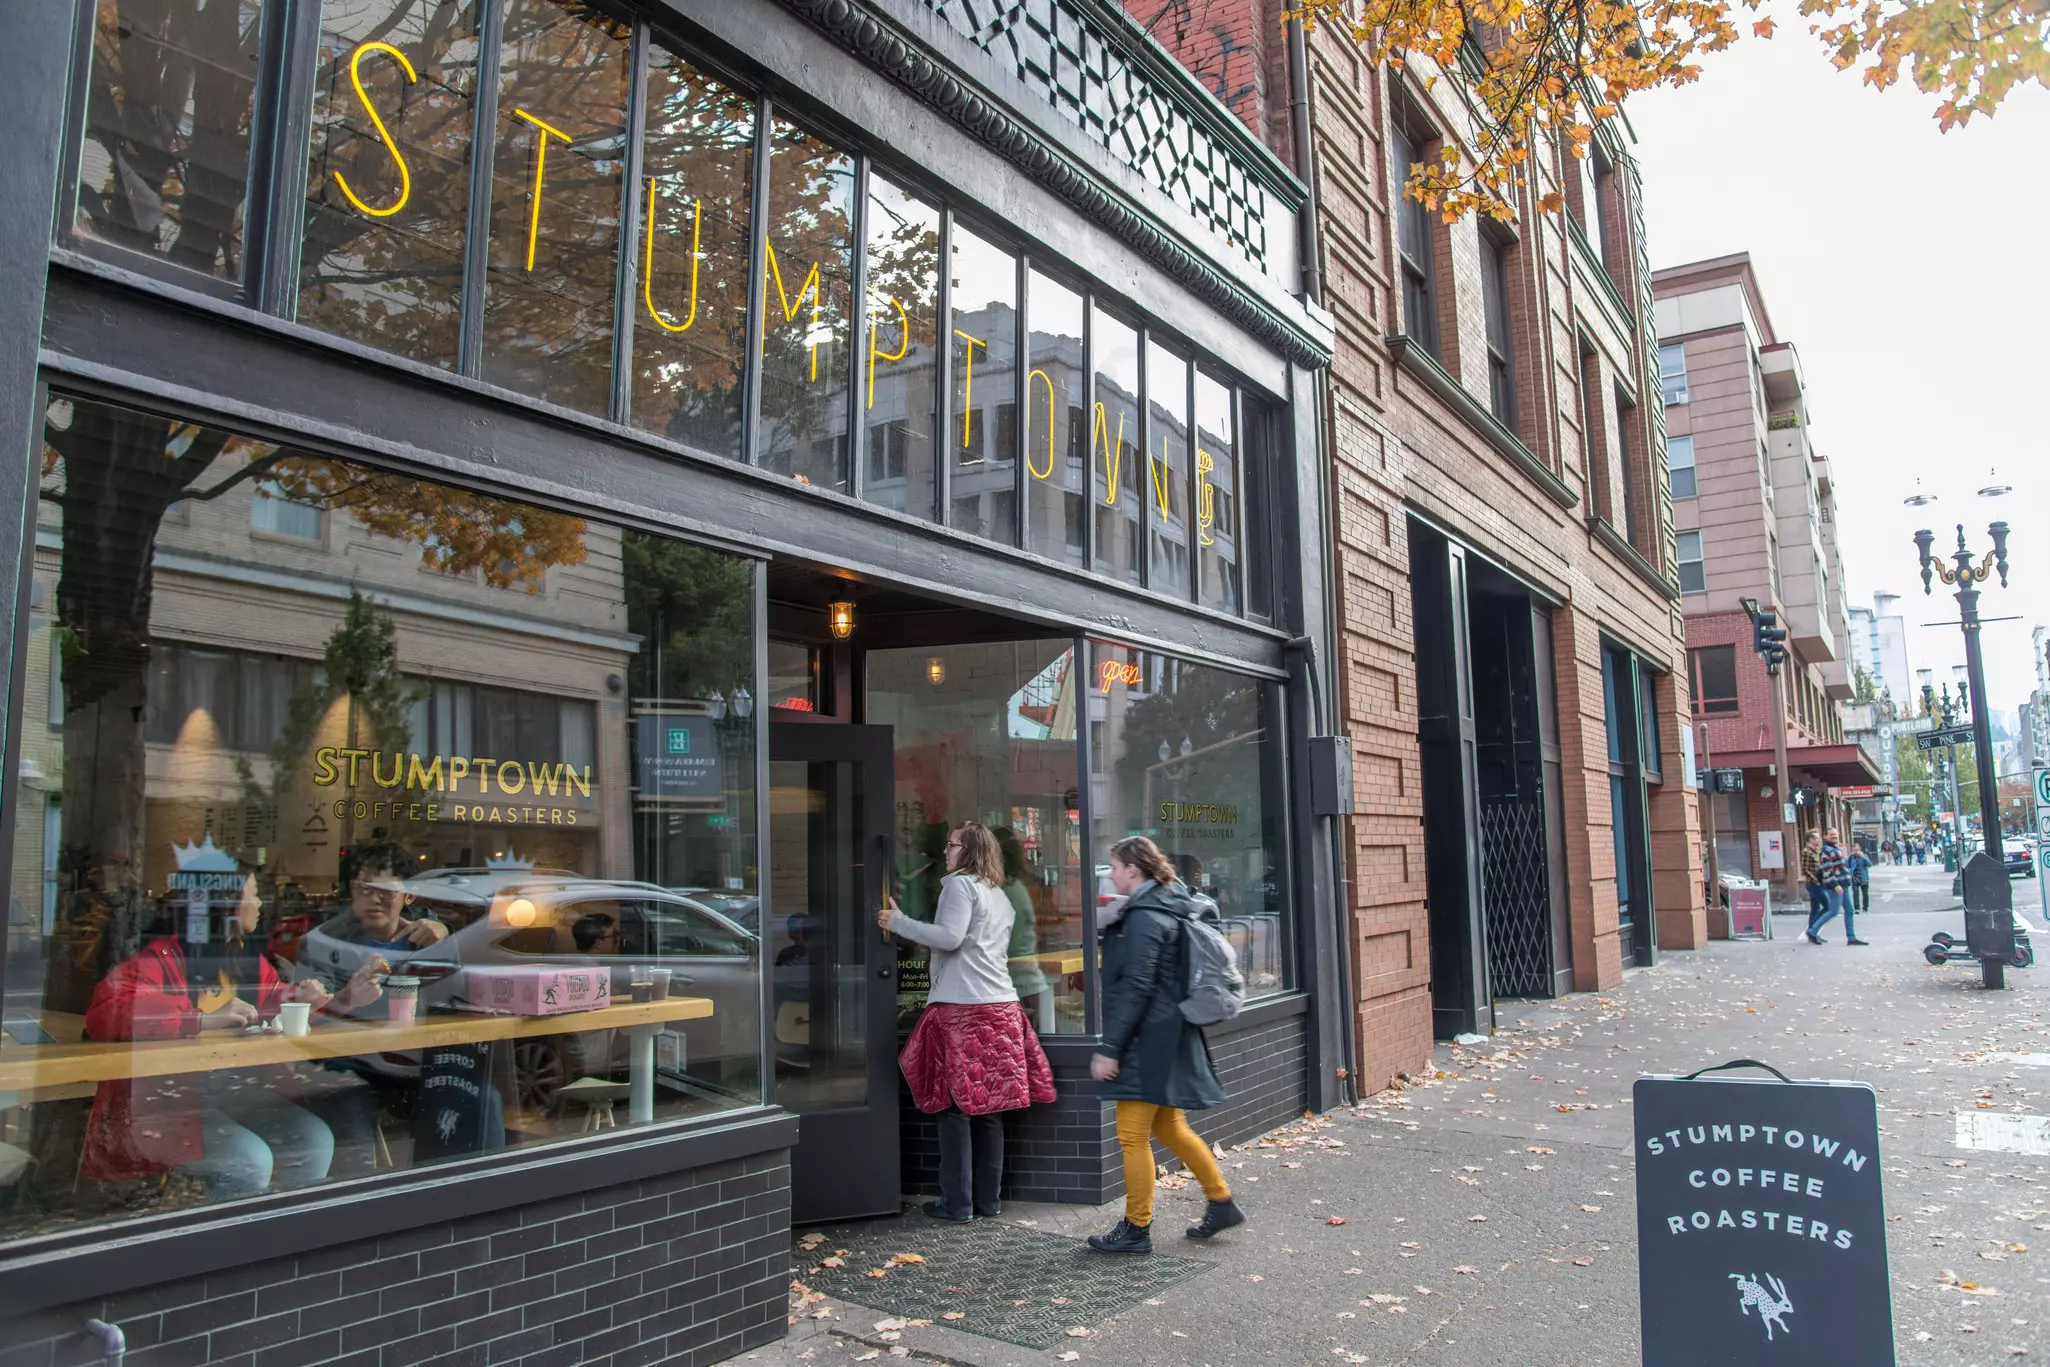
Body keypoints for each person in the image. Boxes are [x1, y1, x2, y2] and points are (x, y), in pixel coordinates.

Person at [81, 872, 381, 1196]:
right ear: (227, 907)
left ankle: (282, 1237)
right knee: (249, 1159)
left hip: (232, 1091)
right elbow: (105, 1013)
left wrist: (343, 999)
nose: (260, 903)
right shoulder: (161, 957)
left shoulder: (243, 960)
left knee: (313, 1139)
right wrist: (200, 1019)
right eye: (253, 893)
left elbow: (275, 1006)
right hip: (168, 1103)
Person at [880, 821, 1055, 1222]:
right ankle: (987, 1202)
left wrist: (898, 922)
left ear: (969, 851)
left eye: (952, 844)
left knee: (955, 1108)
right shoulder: (999, 894)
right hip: (1002, 1008)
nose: (945, 850)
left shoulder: (959, 885)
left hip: (964, 1010)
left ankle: (957, 1203)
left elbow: (949, 937)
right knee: (989, 1110)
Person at [1086, 835, 1243, 1255]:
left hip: (1145, 1037)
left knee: (1131, 1135)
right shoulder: (1164, 904)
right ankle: (1221, 1201)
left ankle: (1136, 1228)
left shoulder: (1145, 917)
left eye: (1114, 867)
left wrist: (1110, 1048)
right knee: (1169, 1126)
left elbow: (1137, 988)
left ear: (1132, 871)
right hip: (1167, 1031)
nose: (1111, 873)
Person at [1807, 827, 1865, 945]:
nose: (1834, 836)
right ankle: (1812, 930)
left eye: (1835, 834)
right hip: (1835, 886)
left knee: (1849, 910)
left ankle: (1851, 937)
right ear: (1825, 836)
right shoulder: (1826, 850)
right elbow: (1827, 869)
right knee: (1833, 910)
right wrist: (1834, 885)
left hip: (1843, 884)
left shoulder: (1835, 848)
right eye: (1831, 835)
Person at [1799, 831, 1826, 928]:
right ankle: (1814, 928)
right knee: (1828, 906)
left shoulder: (1817, 851)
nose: (1819, 840)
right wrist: (1816, 880)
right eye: (1817, 838)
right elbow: (1805, 870)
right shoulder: (1806, 852)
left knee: (1815, 908)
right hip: (1813, 883)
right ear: (1811, 839)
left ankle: (1812, 931)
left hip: (1819, 882)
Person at [1848, 842, 1872, 914]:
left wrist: (1863, 857)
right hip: (1855, 878)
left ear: (1859, 850)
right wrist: (1849, 857)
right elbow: (1847, 865)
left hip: (1863, 877)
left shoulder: (1864, 856)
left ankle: (1865, 908)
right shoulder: (1851, 857)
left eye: (1856, 850)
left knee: (1865, 893)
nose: (1855, 852)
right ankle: (1857, 908)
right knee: (1855, 893)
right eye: (1853, 850)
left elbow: (1869, 864)